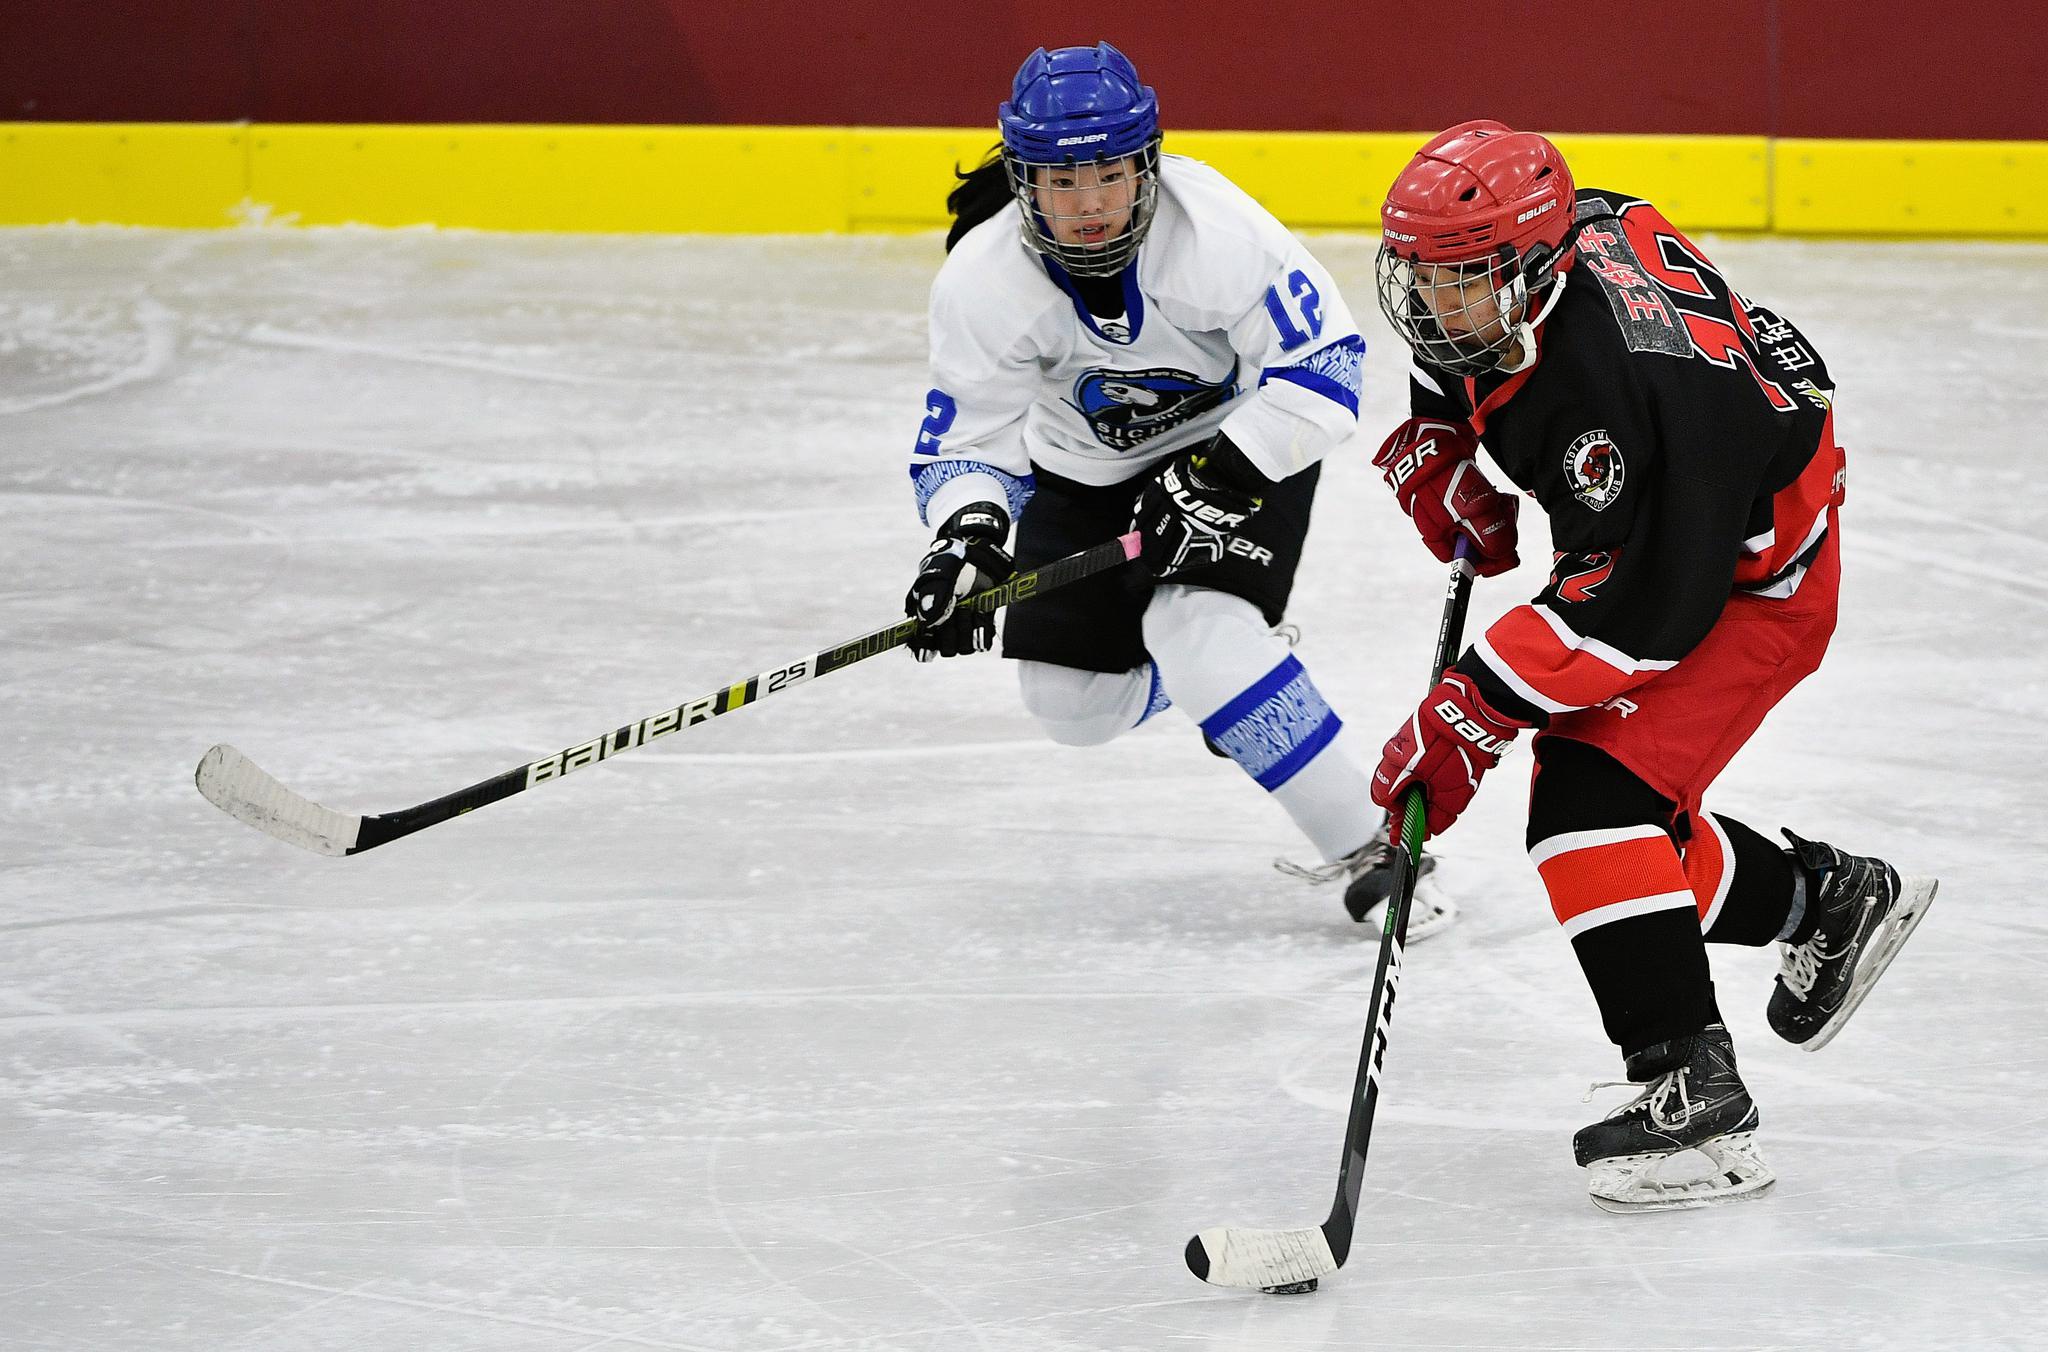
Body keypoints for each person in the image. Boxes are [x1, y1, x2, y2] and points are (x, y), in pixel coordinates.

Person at [1363, 120, 1938, 1209]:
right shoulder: (1553, 248)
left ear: (1529, 268)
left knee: (1589, 805)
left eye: (1462, 278)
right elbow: (1470, 347)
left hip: (1749, 585)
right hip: (1688, 530)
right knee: (1618, 827)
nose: (1435, 303)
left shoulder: (1618, 397)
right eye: (1422, 274)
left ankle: (1693, 1090)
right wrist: (1440, 437)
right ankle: (1823, 899)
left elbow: (1640, 610)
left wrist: (1470, 712)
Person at [901, 42, 1455, 937]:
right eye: (1061, 181)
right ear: (1024, 181)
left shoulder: (1217, 234)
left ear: (1147, 164)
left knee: (1200, 632)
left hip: (1242, 440)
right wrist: (966, 536)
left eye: (1109, 175)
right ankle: (1235, 687)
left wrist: (1219, 472)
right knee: (1074, 709)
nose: (1089, 204)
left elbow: (1327, 369)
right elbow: (968, 439)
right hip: (1082, 472)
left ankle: (1376, 846)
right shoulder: (984, 281)